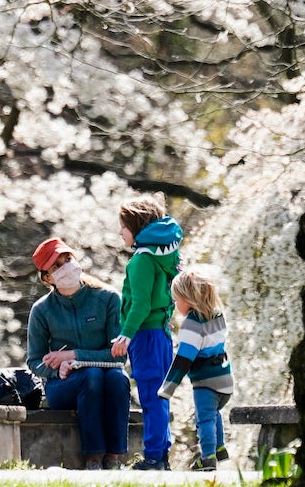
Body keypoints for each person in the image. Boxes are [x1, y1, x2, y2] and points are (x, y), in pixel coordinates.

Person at [26, 237, 131, 470]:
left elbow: (119, 357)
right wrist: (57, 370)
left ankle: (114, 458)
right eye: (57, 266)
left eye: (68, 259)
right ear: (47, 278)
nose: (66, 267)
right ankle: (93, 458)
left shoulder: (108, 299)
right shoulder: (42, 310)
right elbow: (34, 360)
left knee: (118, 378)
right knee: (91, 376)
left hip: (107, 376)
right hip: (63, 385)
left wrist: (73, 355)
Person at [109, 194, 182, 471]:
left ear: (136, 227)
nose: (120, 233)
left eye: (123, 227)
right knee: (160, 395)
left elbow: (141, 303)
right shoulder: (163, 254)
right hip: (161, 335)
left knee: (151, 397)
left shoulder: (141, 259)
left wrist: (125, 335)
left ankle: (153, 457)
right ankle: (161, 455)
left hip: (146, 336)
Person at [157, 270, 235, 470]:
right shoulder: (218, 317)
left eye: (177, 300)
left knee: (204, 419)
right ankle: (219, 448)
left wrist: (167, 388)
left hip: (205, 382)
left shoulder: (192, 324)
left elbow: (183, 359)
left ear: (188, 299)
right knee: (214, 412)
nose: (176, 305)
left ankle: (208, 458)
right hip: (225, 379)